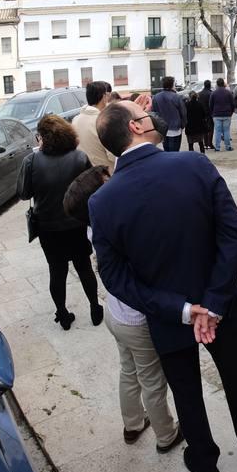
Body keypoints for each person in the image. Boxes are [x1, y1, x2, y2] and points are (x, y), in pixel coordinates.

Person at [89, 99, 237, 472]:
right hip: (219, 303)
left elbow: (115, 279)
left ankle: (205, 464)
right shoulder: (194, 164)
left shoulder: (102, 202)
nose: (150, 116)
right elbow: (233, 235)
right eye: (141, 115)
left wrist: (184, 311)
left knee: (186, 390)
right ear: (135, 129)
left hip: (168, 315)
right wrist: (214, 303)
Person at [65, 165, 182, 453]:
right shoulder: (114, 229)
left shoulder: (95, 228)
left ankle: (132, 424)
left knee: (128, 371)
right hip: (134, 319)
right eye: (109, 182)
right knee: (153, 380)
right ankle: (166, 435)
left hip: (114, 314)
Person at [19, 115, 101, 331]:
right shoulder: (79, 157)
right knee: (83, 266)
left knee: (56, 271)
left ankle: (63, 315)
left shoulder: (32, 161)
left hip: (48, 227)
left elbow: (24, 193)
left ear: (42, 138)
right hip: (76, 223)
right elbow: (93, 188)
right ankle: (95, 307)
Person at [72, 80, 116, 170]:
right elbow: (113, 155)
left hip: (85, 175)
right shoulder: (105, 121)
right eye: (107, 95)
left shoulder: (75, 120)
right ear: (104, 97)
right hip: (106, 174)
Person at [152, 76, 189, 152]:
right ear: (172, 85)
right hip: (175, 128)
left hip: (162, 128)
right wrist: (183, 124)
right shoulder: (177, 97)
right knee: (175, 150)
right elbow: (183, 112)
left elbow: (154, 113)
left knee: (166, 149)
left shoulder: (156, 97)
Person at [209, 77, 235, 152]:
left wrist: (212, 113)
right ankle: (228, 146)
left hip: (216, 114)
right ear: (223, 84)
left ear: (217, 84)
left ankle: (217, 147)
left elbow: (210, 104)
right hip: (227, 114)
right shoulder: (228, 92)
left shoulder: (213, 93)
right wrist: (231, 112)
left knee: (217, 131)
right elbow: (232, 104)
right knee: (226, 131)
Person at [185, 89, 212, 153]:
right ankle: (203, 156)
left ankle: (191, 158)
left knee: (190, 145)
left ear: (189, 97)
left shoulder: (186, 105)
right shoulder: (200, 104)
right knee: (201, 143)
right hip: (199, 127)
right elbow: (204, 115)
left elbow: (184, 115)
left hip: (190, 127)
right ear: (196, 96)